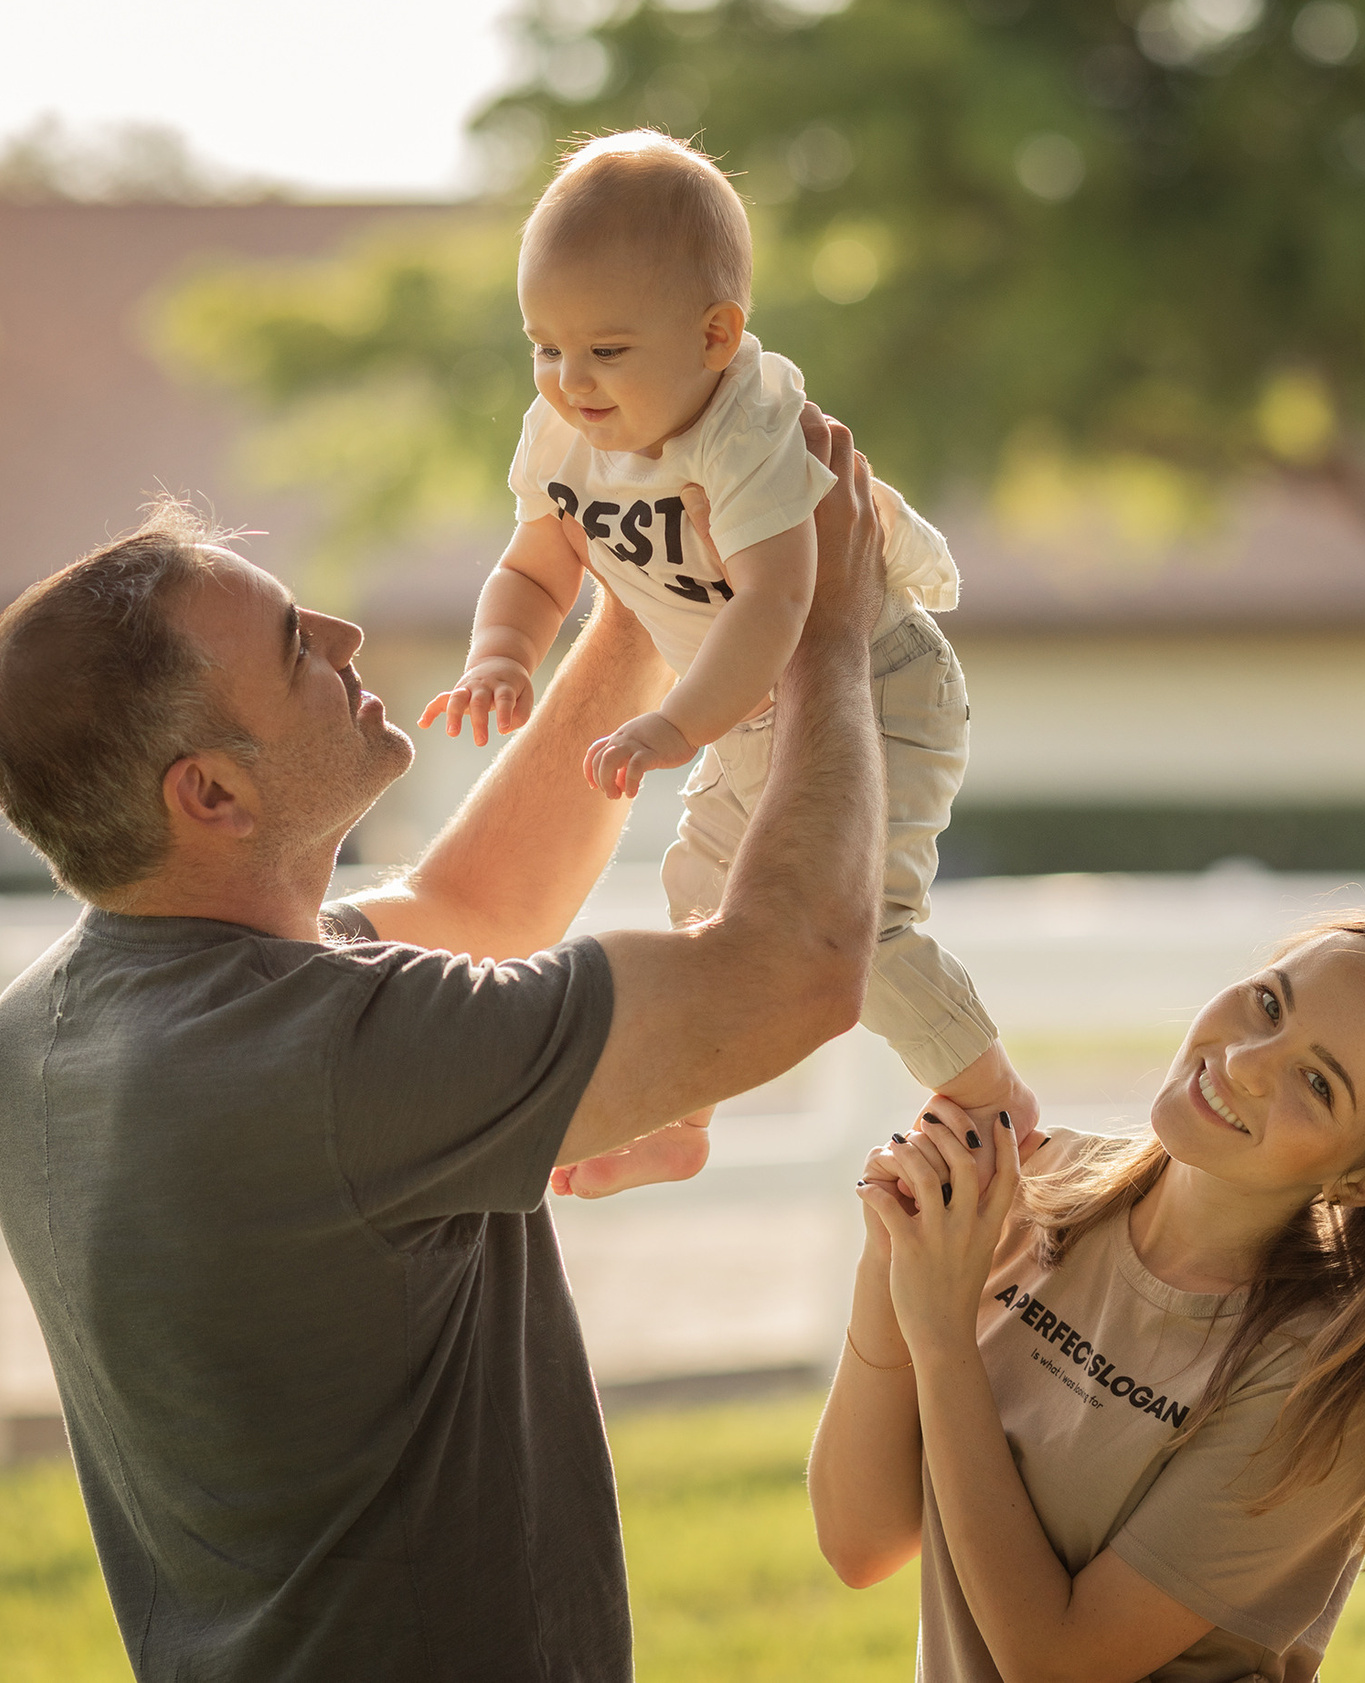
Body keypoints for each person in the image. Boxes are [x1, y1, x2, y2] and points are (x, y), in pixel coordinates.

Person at [0, 410, 913, 1680]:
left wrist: (637, 592)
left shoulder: (61, 1017)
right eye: (296, 646)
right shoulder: (329, 1056)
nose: (344, 639)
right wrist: (827, 629)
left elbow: (483, 914)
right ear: (213, 795)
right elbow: (793, 974)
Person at [417, 129, 1037, 1199]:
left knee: (855, 925)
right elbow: (535, 565)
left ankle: (991, 1097)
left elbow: (782, 606)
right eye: (544, 347)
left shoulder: (746, 434)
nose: (570, 381)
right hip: (749, 705)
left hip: (872, 689)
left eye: (606, 350)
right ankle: (675, 1118)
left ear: (715, 336)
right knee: (705, 905)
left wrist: (674, 725)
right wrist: (501, 656)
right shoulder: (566, 430)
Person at [810, 921, 1365, 1682]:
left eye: (1317, 1084)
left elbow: (1056, 1663)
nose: (1247, 1061)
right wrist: (894, 1251)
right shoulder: (1039, 1185)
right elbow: (861, 1541)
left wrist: (943, 1334)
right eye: (1268, 1003)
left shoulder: (1323, 1385)